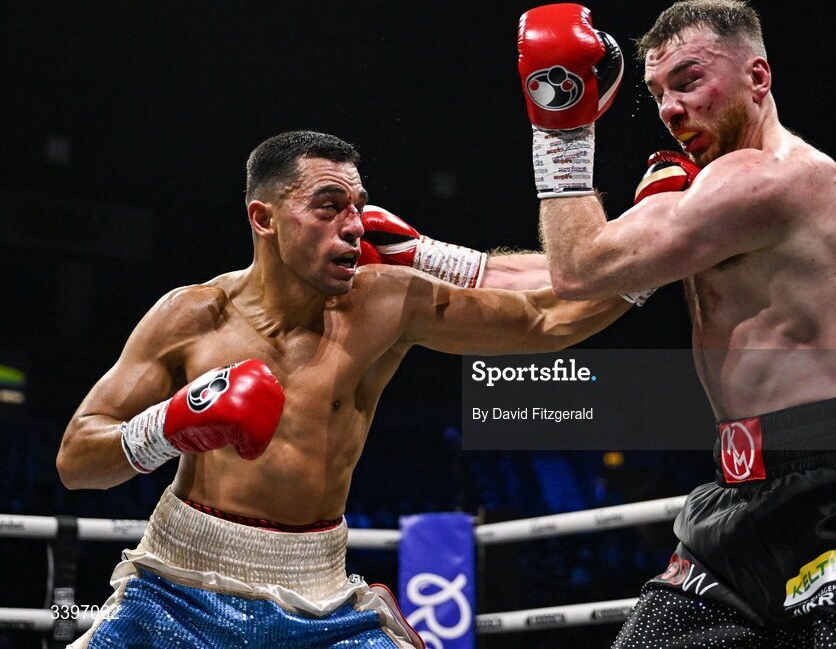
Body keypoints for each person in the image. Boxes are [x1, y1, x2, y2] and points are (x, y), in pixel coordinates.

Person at [56, 130, 631, 648]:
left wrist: (660, 258)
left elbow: (548, 321)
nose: (354, 226)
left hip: (322, 599)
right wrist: (171, 425)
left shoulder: (387, 301)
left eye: (356, 208)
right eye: (329, 208)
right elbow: (77, 461)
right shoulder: (193, 315)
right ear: (264, 219)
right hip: (179, 586)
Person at [516, 0, 836, 647]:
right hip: (735, 503)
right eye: (659, 91)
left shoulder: (772, 179)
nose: (670, 108)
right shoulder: (707, 191)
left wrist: (559, 121)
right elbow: (560, 274)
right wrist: (426, 260)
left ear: (758, 77)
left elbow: (580, 268)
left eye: (689, 80)